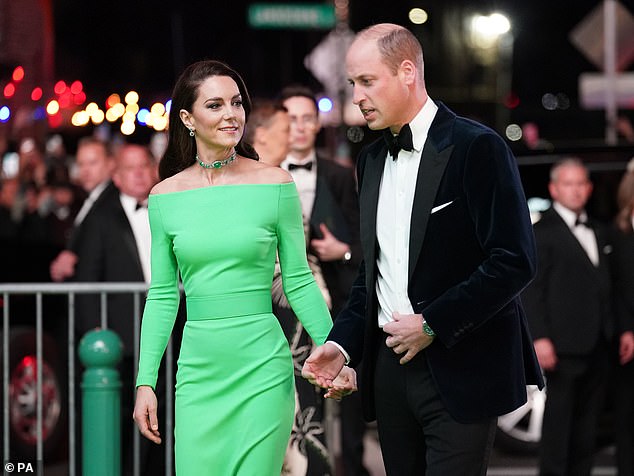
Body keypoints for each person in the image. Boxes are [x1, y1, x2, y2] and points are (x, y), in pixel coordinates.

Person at [302, 23, 544, 476]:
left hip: (462, 365)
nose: (357, 96)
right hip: (390, 370)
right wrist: (341, 344)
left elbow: (514, 260)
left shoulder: (477, 147)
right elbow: (371, 277)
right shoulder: (370, 159)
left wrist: (433, 323)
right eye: (353, 83)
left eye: (367, 81)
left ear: (407, 72)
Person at [132, 60, 356, 476]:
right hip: (198, 372)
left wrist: (332, 349)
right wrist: (145, 382)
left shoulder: (275, 184)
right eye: (215, 105)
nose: (231, 114)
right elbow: (163, 295)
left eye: (236, 103)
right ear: (187, 118)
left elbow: (298, 279)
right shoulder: (164, 197)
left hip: (263, 369)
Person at [279, 85, 367, 476]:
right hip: (279, 308)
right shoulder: (262, 175)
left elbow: (364, 242)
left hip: (337, 300)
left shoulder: (339, 175)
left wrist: (342, 251)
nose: (298, 127)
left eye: (306, 118)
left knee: (342, 398)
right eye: (291, 118)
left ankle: (348, 467)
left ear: (317, 124)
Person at [522, 158, 624, 476]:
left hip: (599, 344)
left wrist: (620, 330)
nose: (576, 190)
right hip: (562, 346)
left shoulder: (599, 229)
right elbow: (531, 291)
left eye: (581, 183)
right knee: (558, 428)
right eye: (569, 183)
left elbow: (608, 287)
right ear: (554, 189)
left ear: (590, 188)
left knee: (587, 429)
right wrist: (539, 338)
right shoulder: (540, 232)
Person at [73, 143, 158, 475]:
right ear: (117, 177)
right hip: (122, 335)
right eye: (129, 168)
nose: (138, 174)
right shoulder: (101, 219)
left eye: (143, 166)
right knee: (123, 411)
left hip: (170, 330)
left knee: (166, 407)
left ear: (153, 169)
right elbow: (87, 278)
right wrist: (95, 329)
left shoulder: (167, 207)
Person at [49, 136, 116, 282]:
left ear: (110, 164)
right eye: (81, 164)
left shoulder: (113, 203)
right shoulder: (90, 200)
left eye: (92, 163)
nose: (85, 171)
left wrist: (75, 260)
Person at [608, 159, 634, 476]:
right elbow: (613, 288)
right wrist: (627, 330)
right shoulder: (617, 234)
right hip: (627, 342)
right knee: (627, 418)